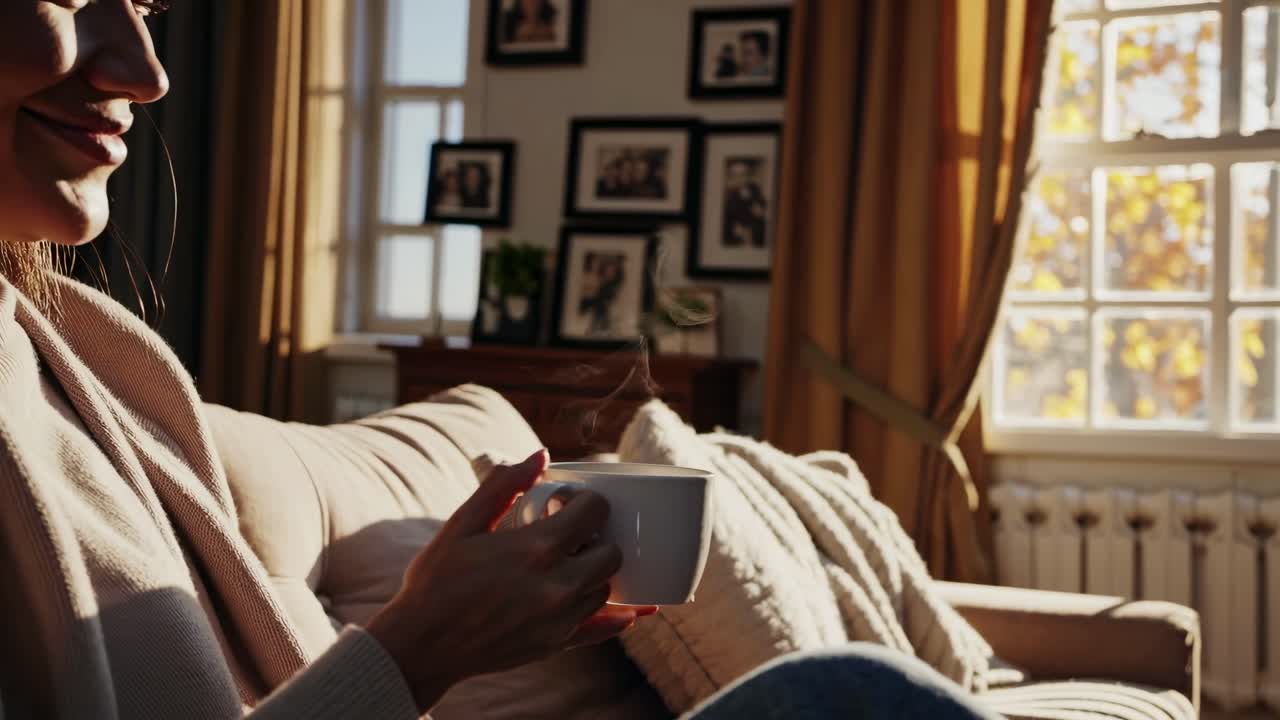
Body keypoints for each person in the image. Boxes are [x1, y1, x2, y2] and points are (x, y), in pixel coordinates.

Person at [0, 2, 1001, 718]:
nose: (146, 71)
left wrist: (450, 632)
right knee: (850, 695)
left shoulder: (87, 351)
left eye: (144, 5)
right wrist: (419, 645)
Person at [723, 159, 768, 248]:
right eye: (736, 175)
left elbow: (761, 210)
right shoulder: (730, 196)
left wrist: (759, 211)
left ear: (747, 176)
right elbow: (730, 218)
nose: (740, 178)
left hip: (756, 230)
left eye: (743, 174)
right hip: (739, 234)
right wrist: (740, 230)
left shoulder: (755, 189)